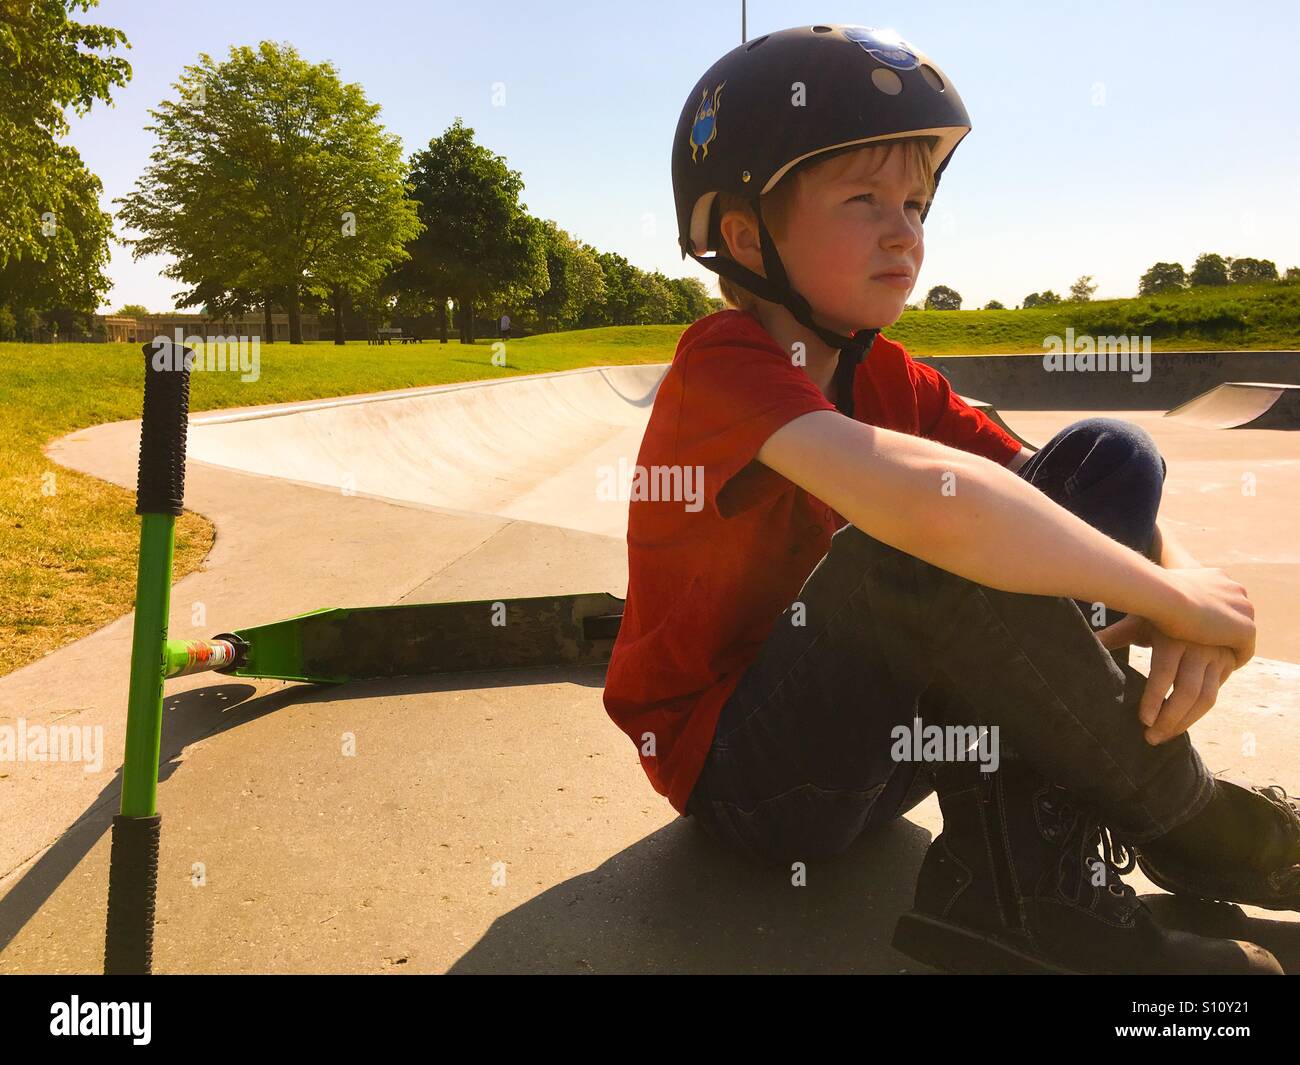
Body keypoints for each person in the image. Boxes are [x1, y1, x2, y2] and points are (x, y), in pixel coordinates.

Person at [601, 23, 1298, 975]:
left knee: (1109, 457)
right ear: (743, 234)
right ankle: (1192, 819)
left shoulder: (889, 373)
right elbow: (939, 504)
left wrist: (1185, 584)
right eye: (864, 199)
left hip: (887, 745)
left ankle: (1014, 873)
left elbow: (1047, 493)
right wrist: (1167, 602)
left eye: (917, 202)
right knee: (924, 552)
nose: (905, 230)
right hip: (751, 777)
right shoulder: (723, 370)